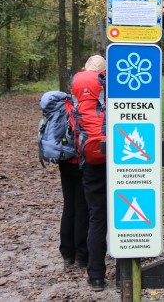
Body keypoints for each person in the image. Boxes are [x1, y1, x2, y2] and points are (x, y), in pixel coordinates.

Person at [70, 54, 108, 292]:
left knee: (97, 217)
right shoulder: (109, 86)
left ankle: (96, 276)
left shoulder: (75, 90)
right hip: (118, 156)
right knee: (124, 212)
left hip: (89, 161)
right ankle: (126, 267)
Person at [58, 126, 89, 270]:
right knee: (82, 207)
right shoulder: (85, 104)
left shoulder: (60, 103)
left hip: (64, 157)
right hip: (83, 159)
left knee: (69, 205)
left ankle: (67, 254)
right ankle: (81, 255)